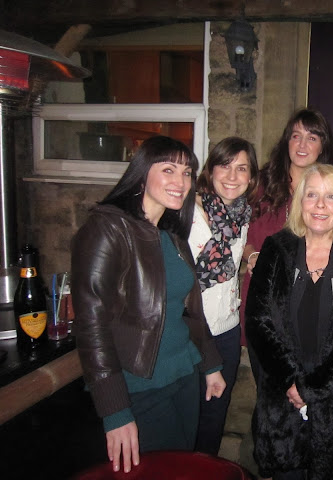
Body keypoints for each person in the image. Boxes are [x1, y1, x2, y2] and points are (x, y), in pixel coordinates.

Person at [71, 136, 226, 474]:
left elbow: (189, 310)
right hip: (139, 385)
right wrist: (115, 411)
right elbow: (91, 325)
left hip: (184, 375)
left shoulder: (171, 236)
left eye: (186, 172)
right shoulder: (107, 228)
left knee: (181, 468)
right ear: (141, 174)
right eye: (168, 169)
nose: (180, 181)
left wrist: (210, 364)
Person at [245, 164, 333, 480]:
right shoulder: (275, 250)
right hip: (282, 396)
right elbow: (257, 320)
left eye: (331, 196)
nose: (320, 205)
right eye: (312, 195)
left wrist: (312, 388)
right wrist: (292, 383)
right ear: (299, 203)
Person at [239, 108, 333, 376]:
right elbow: (241, 234)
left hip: (307, 301)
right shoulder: (261, 184)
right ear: (287, 141)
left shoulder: (330, 190)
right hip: (263, 300)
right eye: (296, 136)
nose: (302, 145)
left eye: (312, 138)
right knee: (268, 385)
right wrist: (252, 256)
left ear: (323, 146)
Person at [188, 137, 259, 455]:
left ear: (251, 177)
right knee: (186, 421)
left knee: (214, 419)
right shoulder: (187, 212)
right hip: (189, 332)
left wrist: (252, 256)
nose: (232, 176)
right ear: (210, 170)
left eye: (242, 168)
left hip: (227, 331)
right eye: (224, 166)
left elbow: (234, 257)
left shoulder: (242, 215)